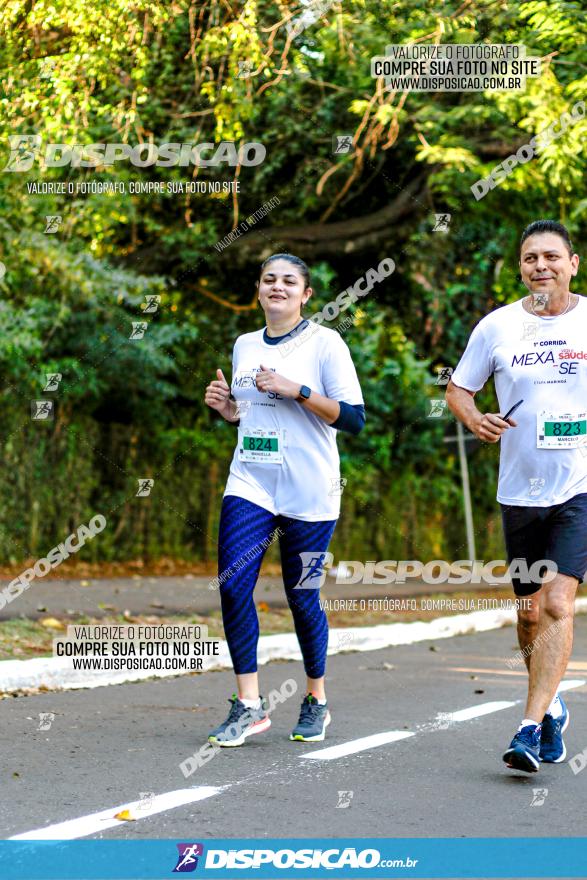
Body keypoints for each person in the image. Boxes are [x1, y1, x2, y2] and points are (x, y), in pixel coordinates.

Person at [203, 253, 365, 746]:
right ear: (257, 290)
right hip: (251, 482)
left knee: (302, 596)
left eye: (289, 281)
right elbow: (251, 415)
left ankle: (316, 698)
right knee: (233, 587)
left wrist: (298, 390)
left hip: (312, 493)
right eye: (269, 279)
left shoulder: (326, 344)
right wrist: (230, 411)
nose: (278, 287)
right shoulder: (244, 345)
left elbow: (354, 419)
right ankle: (249, 704)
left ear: (306, 294)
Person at [446, 219, 586, 773]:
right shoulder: (497, 327)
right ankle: (551, 706)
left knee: (556, 602)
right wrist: (476, 418)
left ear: (573, 263)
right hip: (521, 490)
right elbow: (459, 388)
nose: (541, 266)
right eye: (531, 259)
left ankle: (527, 728)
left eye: (552, 256)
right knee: (528, 615)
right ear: (521, 268)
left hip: (581, 485)